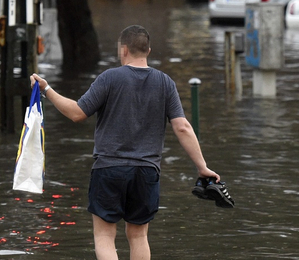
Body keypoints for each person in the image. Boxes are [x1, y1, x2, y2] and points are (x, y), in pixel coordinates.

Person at [30, 25, 224, 260]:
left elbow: (77, 113)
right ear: (148, 50)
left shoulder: (110, 78)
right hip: (146, 171)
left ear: (123, 50)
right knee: (139, 236)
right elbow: (182, 127)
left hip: (109, 168)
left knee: (104, 236)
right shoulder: (165, 83)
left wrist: (46, 89)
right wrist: (202, 167)